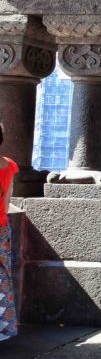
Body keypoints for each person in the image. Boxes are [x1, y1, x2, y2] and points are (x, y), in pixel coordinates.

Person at [0, 125, 20, 342]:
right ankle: (4, 326)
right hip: (1, 227)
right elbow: (6, 203)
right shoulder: (9, 165)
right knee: (2, 276)